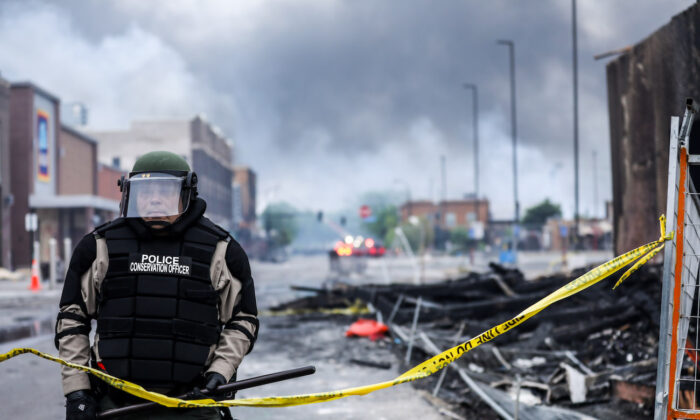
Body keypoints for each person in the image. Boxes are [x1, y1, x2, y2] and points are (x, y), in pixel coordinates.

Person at [55, 151, 258, 419]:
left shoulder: (221, 251)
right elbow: (72, 318)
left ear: (187, 193)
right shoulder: (99, 247)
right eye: (145, 191)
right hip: (117, 404)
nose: (154, 199)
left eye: (165, 190)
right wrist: (77, 391)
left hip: (194, 403)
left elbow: (243, 320)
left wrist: (221, 371)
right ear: (130, 193)